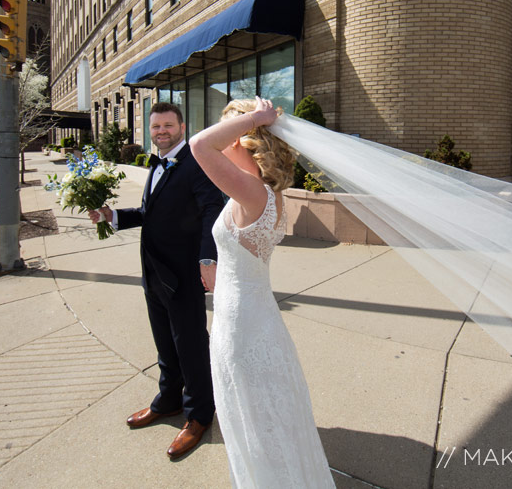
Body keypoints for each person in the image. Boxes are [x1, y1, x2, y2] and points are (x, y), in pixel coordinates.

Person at [190, 97, 335, 488]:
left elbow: (199, 145)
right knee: (270, 414)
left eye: (230, 132)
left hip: (241, 324)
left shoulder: (252, 192)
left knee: (253, 417)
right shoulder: (269, 195)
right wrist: (221, 268)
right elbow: (247, 253)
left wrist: (254, 117)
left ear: (240, 139)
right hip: (258, 314)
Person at [89, 102, 224, 460]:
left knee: (191, 344)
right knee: (165, 343)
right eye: (156, 126)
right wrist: (112, 215)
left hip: (183, 273)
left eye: (168, 125)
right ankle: (168, 400)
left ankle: (198, 415)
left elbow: (213, 209)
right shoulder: (158, 164)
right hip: (153, 271)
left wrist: (208, 258)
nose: (161, 131)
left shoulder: (197, 163)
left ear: (182, 126)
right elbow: (151, 213)